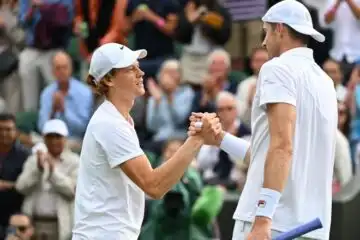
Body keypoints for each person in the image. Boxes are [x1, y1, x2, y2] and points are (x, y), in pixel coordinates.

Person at [188, 1, 338, 239]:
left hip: (270, 224)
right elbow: (270, 152)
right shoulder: (326, 81)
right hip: (312, 229)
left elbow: (281, 147)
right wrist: (220, 139)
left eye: (265, 31)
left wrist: (262, 219)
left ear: (280, 29)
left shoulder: (276, 69)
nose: (263, 41)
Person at [71, 43, 221, 240]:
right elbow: (154, 186)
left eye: (138, 66)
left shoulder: (118, 120)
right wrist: (196, 140)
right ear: (109, 79)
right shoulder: (110, 124)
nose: (140, 72)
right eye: (130, 68)